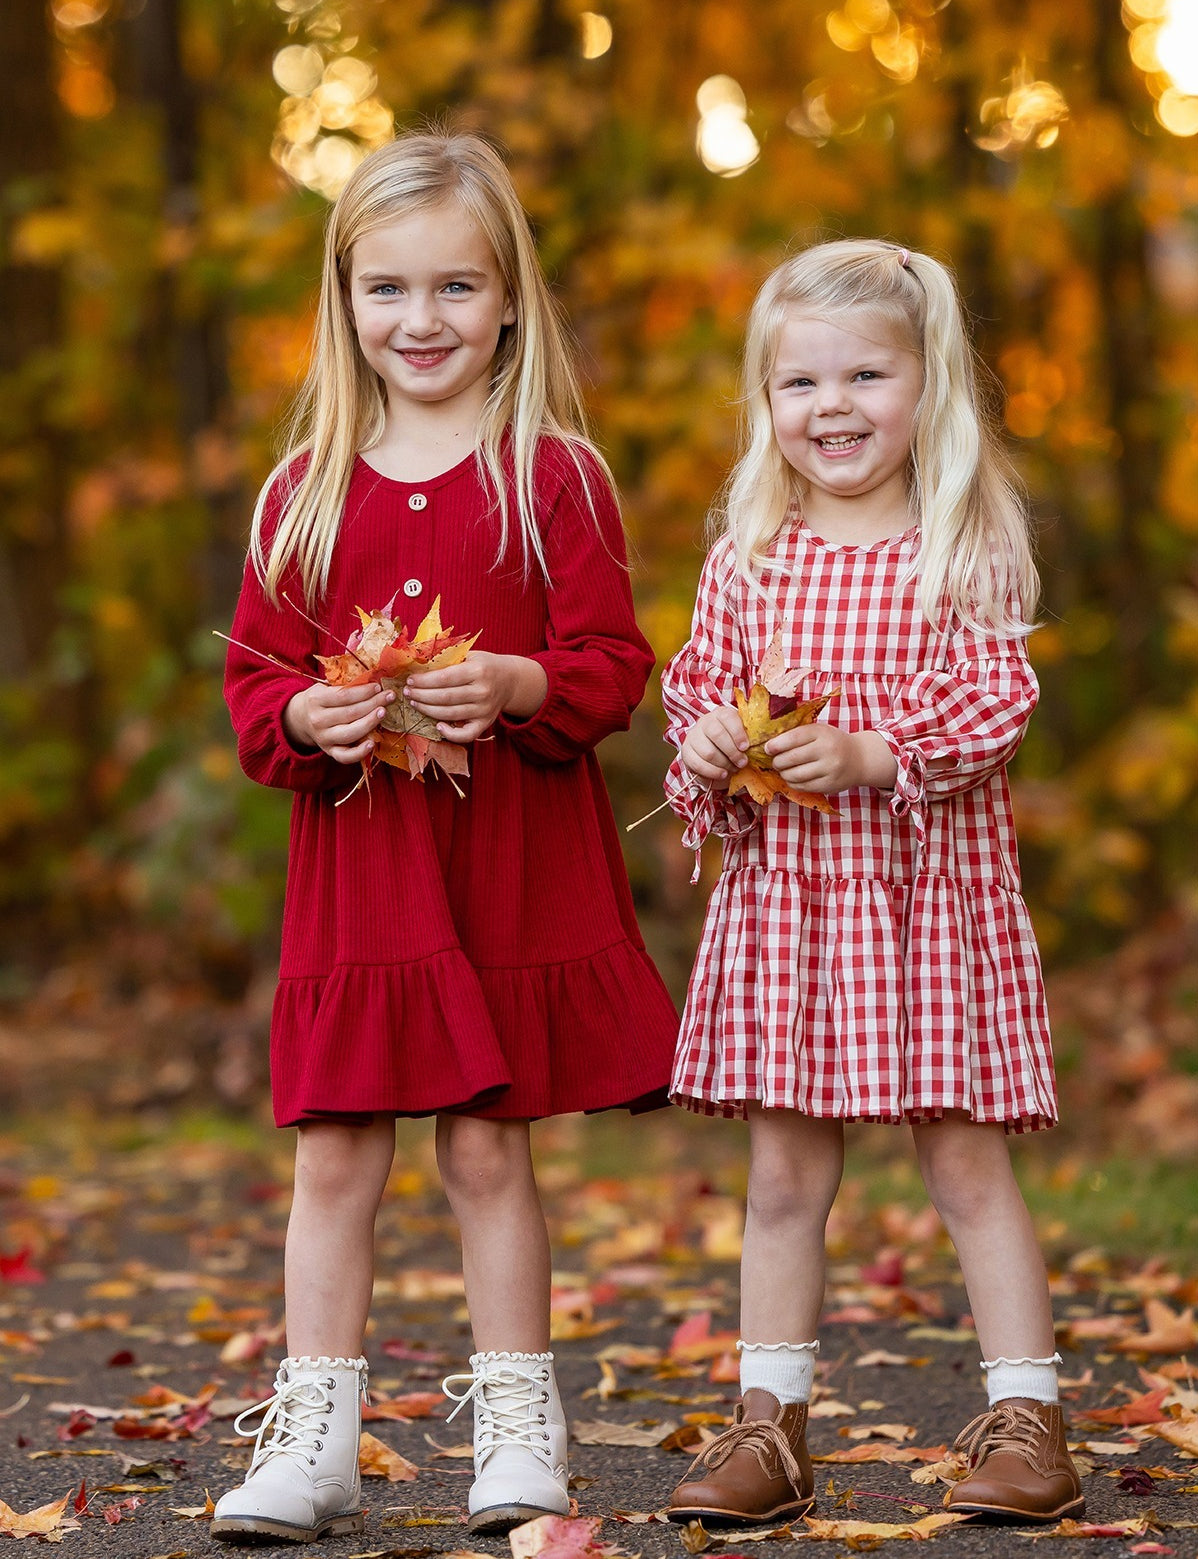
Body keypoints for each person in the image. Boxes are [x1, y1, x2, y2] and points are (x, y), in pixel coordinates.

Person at [216, 129, 678, 1542]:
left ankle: (519, 1423)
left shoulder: (555, 477)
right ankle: (317, 1431)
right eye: (389, 290)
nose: (422, 321)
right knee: (337, 1151)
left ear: (508, 301)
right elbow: (253, 690)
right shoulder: (302, 493)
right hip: (364, 878)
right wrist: (308, 721)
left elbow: (610, 664)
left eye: (457, 289)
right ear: (343, 301)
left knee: (487, 1151)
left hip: (505, 868)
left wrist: (526, 684)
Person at [659, 239, 1083, 1528]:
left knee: (964, 1165)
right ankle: (768, 1428)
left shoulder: (961, 543)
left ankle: (1026, 1418)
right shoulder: (749, 555)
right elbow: (696, 706)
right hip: (793, 912)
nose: (830, 406)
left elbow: (994, 709)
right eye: (799, 383)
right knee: (786, 1179)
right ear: (764, 402)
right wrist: (714, 748)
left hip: (928, 910)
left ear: (926, 387)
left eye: (864, 375)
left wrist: (869, 752)